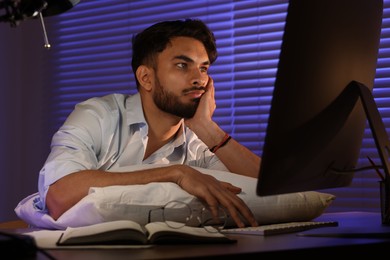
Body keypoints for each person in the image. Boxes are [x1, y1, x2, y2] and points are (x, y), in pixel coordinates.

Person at [35, 19, 261, 228]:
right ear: (146, 78)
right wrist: (175, 174)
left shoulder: (198, 143)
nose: (200, 79)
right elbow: (59, 196)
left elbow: (269, 193)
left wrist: (209, 130)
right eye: (183, 65)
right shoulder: (98, 116)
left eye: (204, 68)